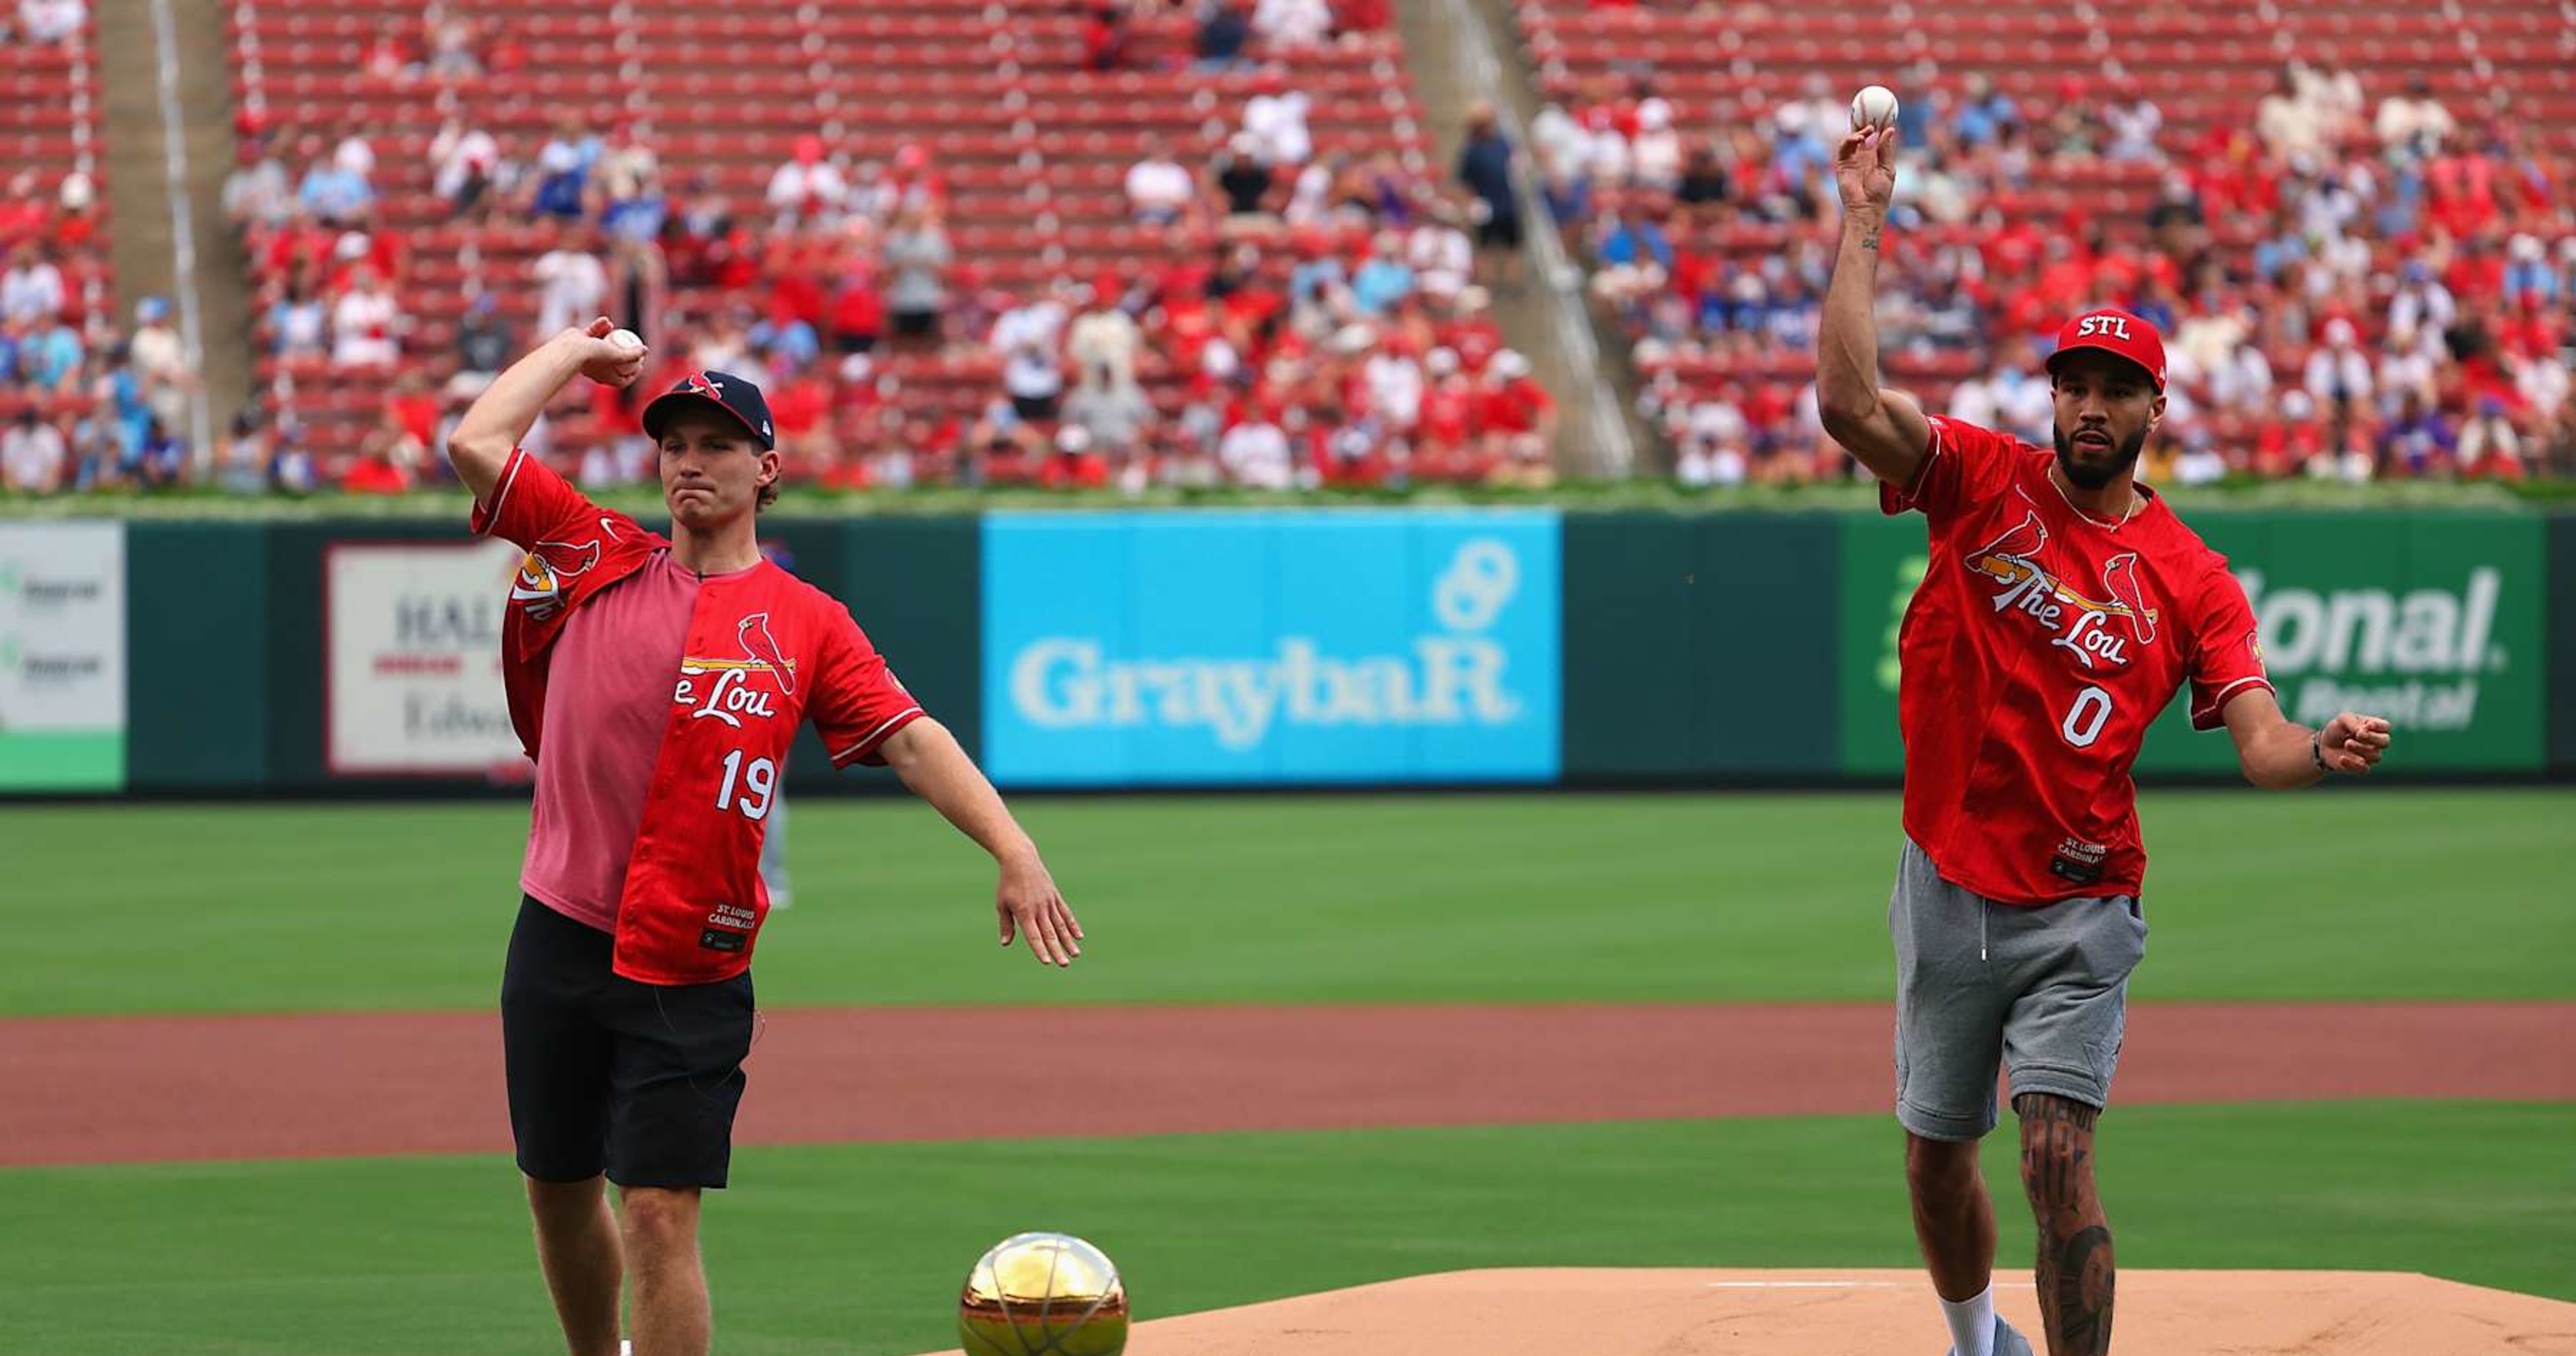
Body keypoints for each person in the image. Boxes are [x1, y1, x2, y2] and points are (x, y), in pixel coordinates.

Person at [1817, 123, 2392, 1356]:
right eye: (2073, 383)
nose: (2090, 403)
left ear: (2154, 407)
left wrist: (2319, 749)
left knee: (2056, 1153)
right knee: (1933, 1159)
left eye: (2116, 387)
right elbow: (1847, 403)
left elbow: (2259, 738)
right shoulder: (1983, 478)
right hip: (1947, 877)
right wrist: (1863, 219)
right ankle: (1981, 1343)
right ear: (2054, 395)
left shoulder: (2190, 577)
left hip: (2080, 902)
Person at [443, 319, 1086, 1356]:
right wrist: (576, 349)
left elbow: (912, 739)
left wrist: (1014, 849)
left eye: (716, 445)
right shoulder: (593, 549)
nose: (688, 463)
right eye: (673, 445)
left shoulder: (806, 619)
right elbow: (476, 443)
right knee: (559, 1191)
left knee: (657, 1210)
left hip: (691, 958)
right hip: (559, 929)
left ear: (767, 467)